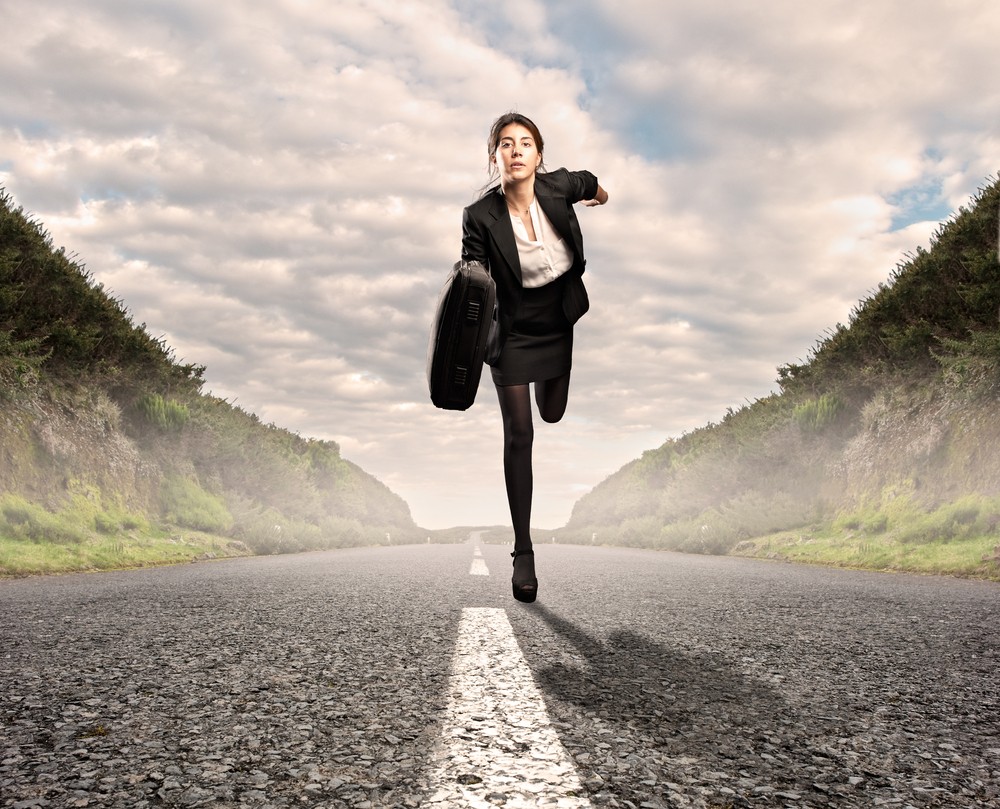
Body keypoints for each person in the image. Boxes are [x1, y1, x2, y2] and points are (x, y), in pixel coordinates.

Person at [460, 112, 608, 603]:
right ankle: (523, 549)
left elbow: (590, 181)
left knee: (552, 412)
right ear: (495, 157)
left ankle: (552, 383)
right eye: (506, 144)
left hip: (558, 317)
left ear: (538, 155)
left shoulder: (558, 187)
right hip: (512, 330)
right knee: (520, 434)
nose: (516, 150)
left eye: (525, 143)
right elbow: (473, 274)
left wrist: (601, 196)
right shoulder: (479, 216)